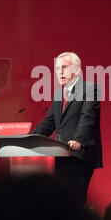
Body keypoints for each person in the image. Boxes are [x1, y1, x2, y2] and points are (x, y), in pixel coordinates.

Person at [34, 52, 102, 203]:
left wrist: (78, 139)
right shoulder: (59, 94)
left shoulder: (90, 89)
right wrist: (29, 138)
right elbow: (48, 123)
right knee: (63, 201)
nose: (60, 72)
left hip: (80, 153)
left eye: (64, 67)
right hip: (61, 155)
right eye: (57, 68)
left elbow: (88, 117)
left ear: (77, 70)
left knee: (76, 200)